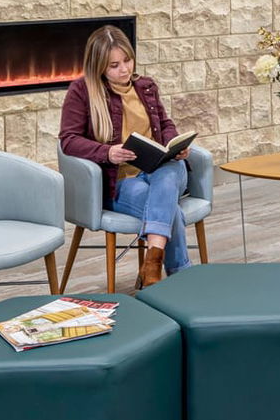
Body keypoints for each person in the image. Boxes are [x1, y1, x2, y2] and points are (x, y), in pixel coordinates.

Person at [60, 25, 191, 287]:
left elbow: (164, 124)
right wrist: (107, 152)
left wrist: (174, 145)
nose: (124, 69)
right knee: (168, 208)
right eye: (114, 65)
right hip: (122, 181)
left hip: (161, 170)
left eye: (127, 60)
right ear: (99, 67)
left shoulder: (146, 87)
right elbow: (69, 140)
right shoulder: (82, 91)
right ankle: (176, 276)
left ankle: (153, 267)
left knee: (169, 173)